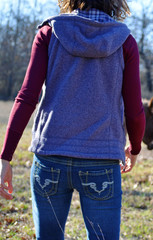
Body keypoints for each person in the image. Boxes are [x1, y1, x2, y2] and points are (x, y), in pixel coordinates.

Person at [0, 0, 145, 239]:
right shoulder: (124, 42)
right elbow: (134, 109)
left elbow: (27, 97)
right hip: (102, 160)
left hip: (50, 157)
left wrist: (6, 156)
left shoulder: (50, 32)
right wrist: (135, 148)